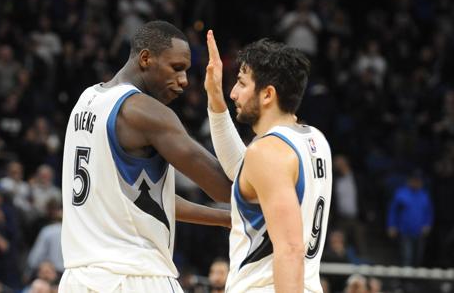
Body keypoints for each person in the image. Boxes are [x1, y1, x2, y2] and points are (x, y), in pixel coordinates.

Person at [59, 21, 232, 293]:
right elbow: (224, 187)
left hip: (78, 279)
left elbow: (146, 200)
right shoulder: (144, 111)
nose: (185, 81)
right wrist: (217, 103)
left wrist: (225, 219)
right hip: (134, 276)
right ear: (146, 58)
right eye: (177, 68)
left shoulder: (87, 100)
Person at [204, 30, 332, 292]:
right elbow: (242, 172)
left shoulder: (266, 152)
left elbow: (290, 248)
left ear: (267, 94)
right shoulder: (315, 140)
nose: (233, 93)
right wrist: (214, 97)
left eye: (241, 83)